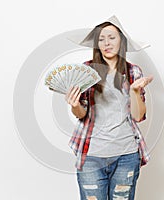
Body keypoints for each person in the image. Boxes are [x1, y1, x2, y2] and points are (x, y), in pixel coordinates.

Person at [66, 15, 153, 200]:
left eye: (111, 37)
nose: (106, 43)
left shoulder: (133, 72)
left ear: (121, 41)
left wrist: (136, 91)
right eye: (101, 39)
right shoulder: (86, 71)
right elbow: (81, 113)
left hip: (126, 156)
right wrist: (75, 105)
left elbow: (138, 116)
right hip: (91, 157)